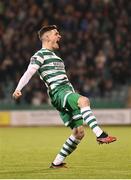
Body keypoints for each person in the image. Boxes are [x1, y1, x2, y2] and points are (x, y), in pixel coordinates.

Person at [12, 25, 117, 168]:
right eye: (56, 34)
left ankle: (56, 163)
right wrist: (18, 89)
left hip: (66, 92)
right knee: (84, 100)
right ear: (47, 37)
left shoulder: (57, 58)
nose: (59, 36)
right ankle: (100, 134)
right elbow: (29, 72)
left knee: (79, 133)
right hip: (58, 93)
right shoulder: (39, 55)